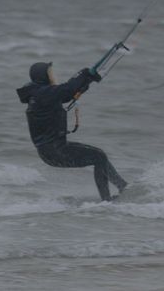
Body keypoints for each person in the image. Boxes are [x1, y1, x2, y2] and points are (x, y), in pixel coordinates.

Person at [16, 62, 127, 201]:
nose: (53, 76)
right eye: (50, 73)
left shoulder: (40, 93)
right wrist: (85, 72)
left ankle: (121, 188)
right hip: (55, 151)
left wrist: (87, 81)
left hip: (51, 150)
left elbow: (67, 95)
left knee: (99, 156)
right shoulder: (43, 93)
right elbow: (68, 88)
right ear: (43, 76)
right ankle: (109, 198)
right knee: (99, 157)